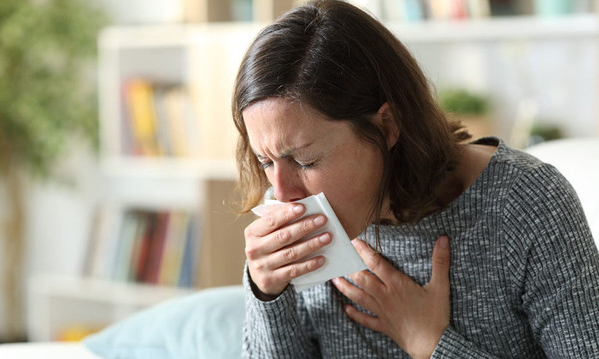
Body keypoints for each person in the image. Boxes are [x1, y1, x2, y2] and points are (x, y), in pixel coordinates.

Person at [231, 1, 599, 358]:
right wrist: (267, 294)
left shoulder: (526, 202)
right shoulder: (292, 228)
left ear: (386, 126)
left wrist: (431, 343)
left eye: (305, 160)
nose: (282, 194)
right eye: (266, 161)